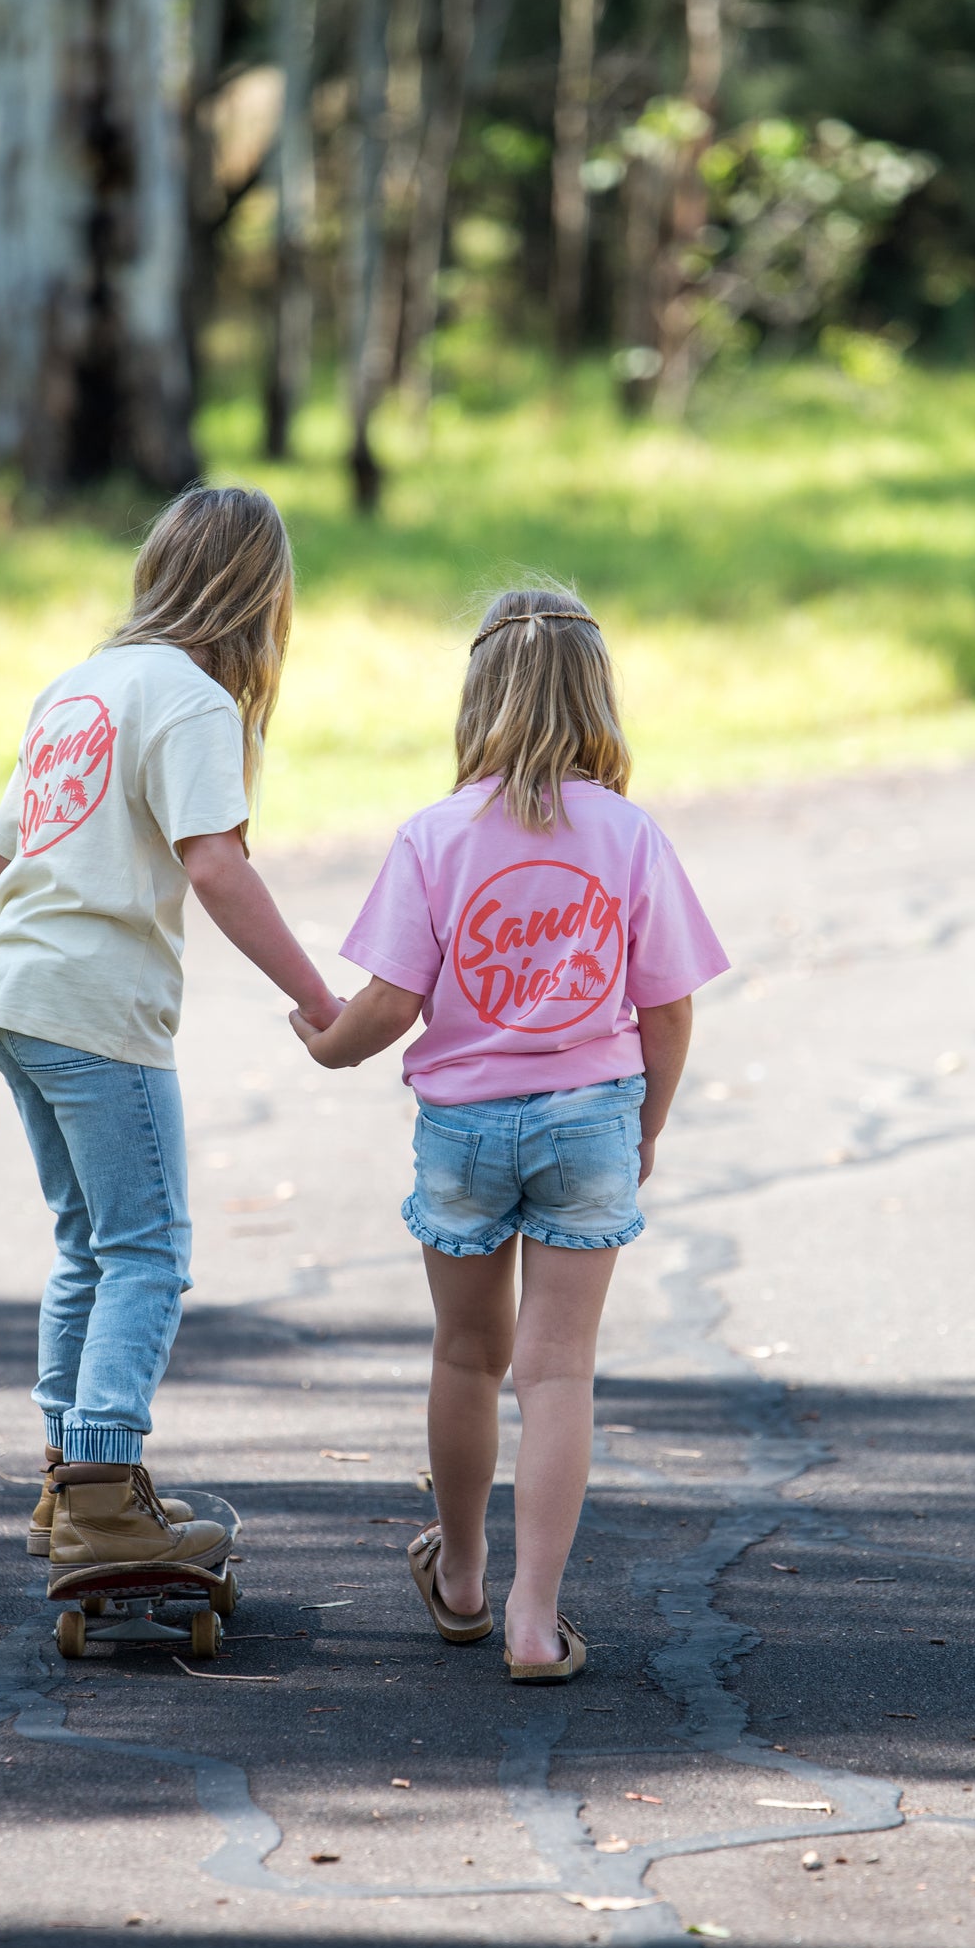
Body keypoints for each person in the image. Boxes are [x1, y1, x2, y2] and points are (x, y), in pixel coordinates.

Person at [290, 586, 729, 1680]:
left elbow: (389, 1005)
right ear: (597, 697)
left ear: (476, 695)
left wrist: (329, 1044)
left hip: (465, 1127)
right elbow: (667, 1008)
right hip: (591, 1117)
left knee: (465, 1352)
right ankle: (534, 1621)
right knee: (557, 1370)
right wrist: (647, 1128)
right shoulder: (627, 835)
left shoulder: (434, 836)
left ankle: (462, 1578)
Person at [0, 485, 339, 1582]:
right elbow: (215, 862)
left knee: (87, 1240)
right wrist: (322, 1000)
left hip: (16, 996)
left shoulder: (77, 687)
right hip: (95, 1011)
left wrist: (43, 974)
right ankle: (104, 1496)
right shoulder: (190, 700)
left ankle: (64, 1477)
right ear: (256, 596)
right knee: (146, 1249)